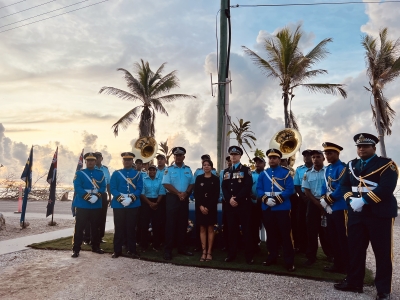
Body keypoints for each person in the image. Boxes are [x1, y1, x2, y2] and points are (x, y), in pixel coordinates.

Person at [334, 133, 398, 300]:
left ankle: (383, 290)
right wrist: (350, 199)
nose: (361, 149)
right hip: (357, 214)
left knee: (382, 252)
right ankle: (354, 282)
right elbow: (344, 184)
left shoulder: (386, 165)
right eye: (359, 146)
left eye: (365, 146)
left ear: (373, 148)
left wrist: (363, 200)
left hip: (379, 214)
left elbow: (386, 188)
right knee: (355, 249)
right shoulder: (351, 165)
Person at [257, 149, 295, 272]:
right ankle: (272, 256)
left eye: (274, 158)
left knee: (285, 235)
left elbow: (290, 189)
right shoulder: (264, 173)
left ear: (279, 160)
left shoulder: (286, 173)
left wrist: (277, 200)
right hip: (267, 207)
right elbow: (259, 188)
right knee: (271, 234)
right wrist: (266, 199)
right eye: (270, 158)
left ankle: (289, 261)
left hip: (282, 207)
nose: (272, 160)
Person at [319, 142, 348, 274]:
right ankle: (337, 264)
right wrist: (323, 199)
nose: (327, 156)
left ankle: (345, 265)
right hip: (329, 206)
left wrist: (328, 200)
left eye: (330, 153)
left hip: (340, 207)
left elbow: (342, 188)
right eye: (326, 153)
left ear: (337, 154)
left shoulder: (342, 168)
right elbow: (324, 186)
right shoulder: (327, 169)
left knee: (342, 237)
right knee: (332, 237)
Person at [221, 146, 253, 264]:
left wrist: (237, 198)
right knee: (231, 230)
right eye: (232, 154)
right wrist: (230, 199)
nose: (233, 156)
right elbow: (224, 187)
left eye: (236, 154)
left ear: (240, 156)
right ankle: (232, 254)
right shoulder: (226, 171)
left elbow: (247, 186)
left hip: (243, 204)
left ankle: (248, 255)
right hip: (230, 205)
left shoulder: (245, 170)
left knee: (246, 230)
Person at [162, 147, 195, 260]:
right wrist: (178, 193)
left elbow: (192, 183)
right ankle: (168, 250)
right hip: (172, 199)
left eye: (180, 155)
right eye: (176, 155)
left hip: (184, 199)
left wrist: (186, 193)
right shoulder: (169, 169)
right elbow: (166, 184)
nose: (178, 157)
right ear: (174, 157)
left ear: (183, 157)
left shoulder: (188, 169)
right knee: (170, 225)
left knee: (182, 224)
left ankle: (182, 248)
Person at [71, 152, 106, 258]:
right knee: (79, 227)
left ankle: (96, 247)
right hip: (82, 204)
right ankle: (76, 249)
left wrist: (97, 196)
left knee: (96, 227)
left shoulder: (100, 173)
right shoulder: (80, 173)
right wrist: (88, 197)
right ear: (85, 162)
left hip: (96, 204)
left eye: (92, 160)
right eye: (88, 161)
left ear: (95, 162)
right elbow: (77, 187)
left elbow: (103, 186)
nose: (90, 162)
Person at [109, 152, 143, 258]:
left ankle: (132, 250)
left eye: (129, 160)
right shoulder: (116, 173)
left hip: (133, 204)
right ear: (122, 161)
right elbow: (113, 188)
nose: (127, 161)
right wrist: (120, 198)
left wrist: (131, 198)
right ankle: (117, 251)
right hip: (119, 205)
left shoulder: (138, 174)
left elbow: (139, 188)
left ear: (132, 161)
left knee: (131, 228)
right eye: (125, 160)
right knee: (119, 228)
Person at [302, 150, 333, 266]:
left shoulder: (328, 171)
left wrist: (325, 203)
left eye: (318, 157)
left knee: (327, 231)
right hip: (313, 203)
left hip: (329, 203)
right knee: (311, 231)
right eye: (313, 157)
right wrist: (317, 203)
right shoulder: (307, 173)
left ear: (323, 158)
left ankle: (330, 254)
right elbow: (306, 190)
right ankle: (311, 257)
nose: (315, 159)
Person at [194, 159, 220, 261]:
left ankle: (209, 252)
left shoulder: (216, 179)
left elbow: (216, 195)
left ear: (211, 167)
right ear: (202, 167)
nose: (206, 167)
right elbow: (196, 194)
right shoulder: (199, 178)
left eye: (208, 165)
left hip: (211, 208)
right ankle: (203, 251)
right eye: (204, 165)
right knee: (202, 229)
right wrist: (200, 206)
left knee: (210, 228)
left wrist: (207, 207)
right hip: (200, 208)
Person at [140, 165, 166, 252]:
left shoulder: (160, 180)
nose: (152, 171)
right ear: (148, 171)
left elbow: (161, 193)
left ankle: (156, 245)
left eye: (153, 170)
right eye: (150, 170)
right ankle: (144, 245)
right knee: (144, 225)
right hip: (146, 202)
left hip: (157, 202)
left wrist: (157, 203)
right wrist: (150, 203)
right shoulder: (144, 180)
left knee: (157, 225)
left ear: (156, 171)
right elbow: (142, 193)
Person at [293, 149, 313, 254]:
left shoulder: (319, 168)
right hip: (302, 199)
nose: (306, 157)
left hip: (315, 199)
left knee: (317, 226)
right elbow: (296, 185)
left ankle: (329, 252)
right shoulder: (299, 169)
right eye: (305, 155)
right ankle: (303, 247)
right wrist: (302, 196)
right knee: (301, 223)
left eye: (309, 155)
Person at [94, 152, 111, 243]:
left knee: (102, 216)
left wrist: (109, 196)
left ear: (102, 158)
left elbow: (108, 183)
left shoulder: (105, 169)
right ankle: (88, 237)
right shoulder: (92, 169)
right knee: (92, 217)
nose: (96, 159)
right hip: (93, 194)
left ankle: (100, 237)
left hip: (103, 195)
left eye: (98, 157)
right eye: (95, 157)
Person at [250, 156, 265, 254]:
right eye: (256, 162)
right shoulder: (251, 175)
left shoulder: (267, 174)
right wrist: (253, 197)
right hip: (253, 203)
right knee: (254, 226)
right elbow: (247, 187)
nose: (258, 164)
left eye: (260, 162)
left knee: (269, 225)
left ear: (264, 164)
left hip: (265, 204)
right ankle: (255, 245)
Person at [220, 155, 232, 251]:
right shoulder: (223, 172)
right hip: (226, 201)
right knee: (226, 223)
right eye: (228, 160)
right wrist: (225, 198)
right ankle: (226, 244)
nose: (229, 162)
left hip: (237, 201)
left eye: (230, 160)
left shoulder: (241, 170)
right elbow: (222, 186)